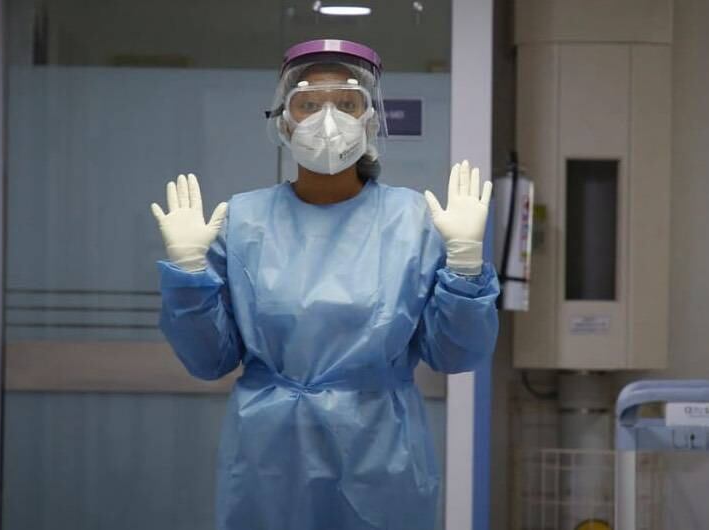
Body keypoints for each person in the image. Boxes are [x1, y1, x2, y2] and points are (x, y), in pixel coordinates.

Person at [150, 39, 499, 530]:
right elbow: (209, 361)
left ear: (370, 119)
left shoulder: (413, 221)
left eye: (347, 103)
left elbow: (455, 355)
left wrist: (463, 266)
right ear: (283, 120)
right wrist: (189, 273)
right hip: (269, 456)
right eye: (309, 105)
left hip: (381, 452)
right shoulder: (244, 221)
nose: (327, 120)